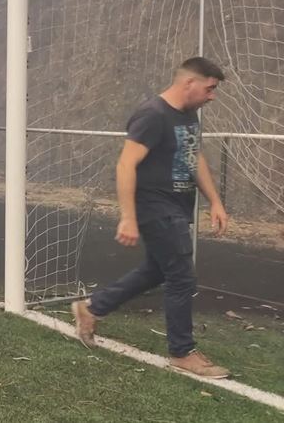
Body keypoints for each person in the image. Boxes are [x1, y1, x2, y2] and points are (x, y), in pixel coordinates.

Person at [72, 57, 231, 379]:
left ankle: (91, 307)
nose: (212, 96)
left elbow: (193, 156)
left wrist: (215, 201)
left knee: (158, 269)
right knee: (182, 277)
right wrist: (128, 217)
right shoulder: (152, 115)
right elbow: (125, 165)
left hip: (176, 206)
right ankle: (182, 352)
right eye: (209, 88)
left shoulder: (188, 116)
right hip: (154, 207)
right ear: (189, 83)